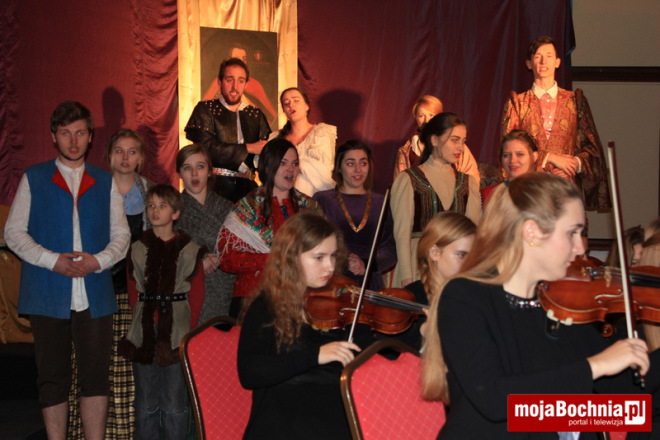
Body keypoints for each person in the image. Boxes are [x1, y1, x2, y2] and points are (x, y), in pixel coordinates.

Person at [420, 173, 659, 439]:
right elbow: (494, 399)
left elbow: (621, 397)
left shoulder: (560, 304)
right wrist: (594, 366)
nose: (580, 248)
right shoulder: (465, 297)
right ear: (531, 232)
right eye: (572, 232)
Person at [4, 101, 131, 440]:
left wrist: (97, 261)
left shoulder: (104, 181)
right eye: (65, 133)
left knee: (96, 378)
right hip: (47, 291)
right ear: (53, 136)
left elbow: (122, 237)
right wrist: (53, 260)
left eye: (79, 133)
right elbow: (13, 233)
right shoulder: (34, 177)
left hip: (95, 293)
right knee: (52, 379)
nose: (73, 141)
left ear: (90, 137)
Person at [237, 211, 372, 439]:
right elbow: (249, 372)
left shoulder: (345, 303)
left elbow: (369, 357)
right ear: (292, 257)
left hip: (335, 417)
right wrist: (315, 355)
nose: (330, 267)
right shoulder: (266, 305)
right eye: (319, 258)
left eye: (333, 256)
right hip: (283, 421)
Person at [118, 184, 205, 440]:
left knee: (174, 400)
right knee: (145, 399)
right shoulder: (137, 248)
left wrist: (187, 331)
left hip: (176, 332)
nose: (156, 211)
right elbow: (133, 290)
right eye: (151, 206)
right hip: (143, 331)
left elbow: (196, 294)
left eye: (163, 206)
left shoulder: (190, 250)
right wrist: (142, 317)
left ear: (175, 213)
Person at [501, 36, 610, 211]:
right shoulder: (518, 103)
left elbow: (593, 149)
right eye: (538, 56)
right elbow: (508, 149)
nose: (543, 61)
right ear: (529, 64)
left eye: (549, 56)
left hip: (566, 192)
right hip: (531, 193)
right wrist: (549, 158)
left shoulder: (575, 101)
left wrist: (574, 163)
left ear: (558, 62)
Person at [217, 138, 320, 317]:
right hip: (253, 299)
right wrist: (273, 258)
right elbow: (226, 258)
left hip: (300, 298)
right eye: (283, 163)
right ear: (268, 166)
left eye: (295, 163)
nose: (291, 169)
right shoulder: (248, 206)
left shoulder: (310, 207)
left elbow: (324, 252)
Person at [390, 112, 480, 288]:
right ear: (434, 140)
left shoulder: (468, 182)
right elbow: (402, 234)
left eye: (463, 141)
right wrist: (407, 277)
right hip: (417, 268)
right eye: (454, 140)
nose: (461, 148)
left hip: (454, 271)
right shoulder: (409, 179)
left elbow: (472, 236)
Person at [185, 57, 271, 203]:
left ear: (246, 84)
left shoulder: (256, 115)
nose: (235, 87)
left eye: (241, 81)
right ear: (219, 82)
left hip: (248, 192)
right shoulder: (205, 109)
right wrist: (248, 148)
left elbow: (267, 157)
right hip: (213, 190)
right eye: (229, 80)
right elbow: (205, 149)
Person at [313, 140, 396, 290]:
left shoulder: (381, 202)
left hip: (369, 284)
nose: (358, 170)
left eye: (363, 163)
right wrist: (343, 262)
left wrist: (366, 265)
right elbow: (312, 246)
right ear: (339, 167)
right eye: (350, 164)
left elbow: (390, 251)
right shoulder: (322, 200)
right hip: (331, 281)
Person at [175, 143, 235, 323]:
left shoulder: (229, 208)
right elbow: (162, 255)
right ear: (179, 173)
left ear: (210, 171)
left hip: (227, 292)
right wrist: (195, 261)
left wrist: (223, 257)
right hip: (188, 294)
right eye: (187, 168)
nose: (194, 174)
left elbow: (240, 249)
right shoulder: (172, 211)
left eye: (200, 166)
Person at [393, 96, 479, 187]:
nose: (426, 120)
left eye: (431, 115)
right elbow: (400, 185)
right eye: (421, 115)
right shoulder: (406, 151)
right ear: (416, 118)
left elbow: (472, 179)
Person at [270, 87, 337, 196]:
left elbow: (323, 170)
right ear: (284, 110)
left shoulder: (322, 132)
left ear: (306, 106)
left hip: (315, 197)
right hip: (283, 197)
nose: (291, 105)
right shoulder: (275, 138)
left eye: (296, 100)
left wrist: (287, 165)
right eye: (286, 103)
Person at [481, 129, 538, 208]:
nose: (512, 160)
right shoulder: (488, 194)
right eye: (506, 155)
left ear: (534, 156)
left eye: (519, 154)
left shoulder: (545, 193)